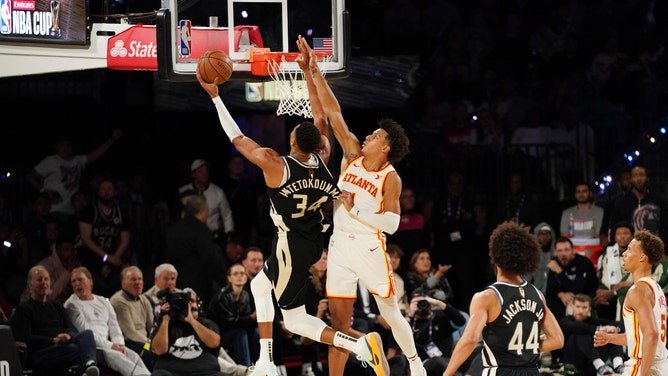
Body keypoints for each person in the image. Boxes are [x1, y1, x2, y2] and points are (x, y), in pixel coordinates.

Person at [197, 37, 391, 376]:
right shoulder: (325, 159)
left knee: (295, 319)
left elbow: (236, 138)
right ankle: (267, 361)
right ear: (319, 146)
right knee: (259, 286)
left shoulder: (276, 165)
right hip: (314, 239)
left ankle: (356, 345)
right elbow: (320, 114)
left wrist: (215, 98)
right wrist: (307, 72)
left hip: (291, 244)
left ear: (290, 142)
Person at [304, 36, 428, 376]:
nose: (369, 137)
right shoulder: (353, 155)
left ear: (386, 148)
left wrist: (354, 207)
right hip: (340, 245)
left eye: (375, 136)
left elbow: (391, 225)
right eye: (370, 134)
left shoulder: (391, 178)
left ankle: (416, 365)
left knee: (389, 312)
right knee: (339, 321)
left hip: (371, 247)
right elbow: (334, 112)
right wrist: (315, 72)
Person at [441, 221, 564, 376]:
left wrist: (447, 373)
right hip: (531, 372)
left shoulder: (487, 297)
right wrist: (522, 348)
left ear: (495, 257)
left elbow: (470, 339)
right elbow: (557, 340)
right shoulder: (537, 294)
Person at [594, 229, 668, 376]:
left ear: (642, 257)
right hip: (660, 363)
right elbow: (640, 338)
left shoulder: (638, 290)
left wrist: (643, 373)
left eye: (629, 250)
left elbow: (651, 334)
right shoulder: (655, 287)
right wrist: (609, 338)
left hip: (644, 365)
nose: (624, 254)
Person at [9, 265, 100, 376]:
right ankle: (87, 369)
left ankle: (90, 366)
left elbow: (69, 328)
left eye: (46, 279)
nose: (44, 282)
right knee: (80, 350)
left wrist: (68, 336)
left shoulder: (57, 305)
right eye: (39, 280)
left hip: (62, 346)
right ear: (30, 285)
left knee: (87, 334)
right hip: (41, 352)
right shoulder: (23, 309)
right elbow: (26, 338)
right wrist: (53, 340)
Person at [64, 267, 151, 376]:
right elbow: (86, 333)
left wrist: (120, 345)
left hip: (110, 344)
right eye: (73, 281)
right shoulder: (72, 304)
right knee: (119, 358)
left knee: (134, 356)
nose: (77, 284)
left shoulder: (103, 301)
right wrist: (111, 346)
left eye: (80, 280)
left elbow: (114, 326)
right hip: (93, 347)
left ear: (90, 282)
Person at [24, 130, 122, 225]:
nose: (65, 147)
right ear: (56, 147)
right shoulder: (51, 161)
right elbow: (30, 176)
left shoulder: (77, 160)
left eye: (68, 144)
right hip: (55, 211)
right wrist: (43, 191)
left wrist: (112, 139)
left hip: (74, 211)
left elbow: (95, 155)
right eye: (62, 145)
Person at [162, 193, 228, 305]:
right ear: (202, 211)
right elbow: (210, 259)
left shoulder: (173, 228)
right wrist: (225, 283)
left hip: (174, 283)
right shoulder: (202, 231)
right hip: (197, 288)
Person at [151, 287, 225, 376]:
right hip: (171, 373)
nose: (188, 305)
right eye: (185, 302)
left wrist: (191, 320)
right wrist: (165, 319)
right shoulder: (165, 323)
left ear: (198, 304)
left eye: (192, 301)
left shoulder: (207, 323)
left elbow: (214, 342)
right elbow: (159, 350)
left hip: (206, 373)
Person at [559, 294, 625, 376]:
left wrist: (614, 329)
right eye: (578, 307)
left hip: (590, 362)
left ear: (589, 309)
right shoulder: (565, 320)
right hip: (572, 359)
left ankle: (618, 364)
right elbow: (574, 327)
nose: (580, 311)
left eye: (584, 308)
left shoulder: (592, 321)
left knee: (612, 334)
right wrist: (599, 329)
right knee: (581, 332)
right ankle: (599, 365)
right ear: (572, 307)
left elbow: (620, 324)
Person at [179, 159, 235, 247]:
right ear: (194, 174)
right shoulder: (183, 192)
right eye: (200, 171)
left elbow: (226, 215)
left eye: (206, 171)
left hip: (212, 237)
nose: (204, 174)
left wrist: (229, 233)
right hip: (189, 237)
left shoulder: (217, 192)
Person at [110, 265, 155, 371]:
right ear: (123, 283)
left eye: (140, 279)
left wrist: (157, 342)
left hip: (145, 342)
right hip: (129, 343)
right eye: (133, 279)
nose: (138, 282)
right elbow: (130, 333)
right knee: (149, 354)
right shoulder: (118, 301)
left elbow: (152, 326)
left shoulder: (144, 299)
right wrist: (151, 345)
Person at [595, 221, 634, 321]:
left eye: (625, 233)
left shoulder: (638, 255)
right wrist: (602, 292)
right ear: (614, 237)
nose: (622, 237)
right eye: (619, 234)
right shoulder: (607, 255)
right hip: (609, 295)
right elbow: (602, 278)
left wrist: (614, 292)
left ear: (632, 236)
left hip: (630, 293)